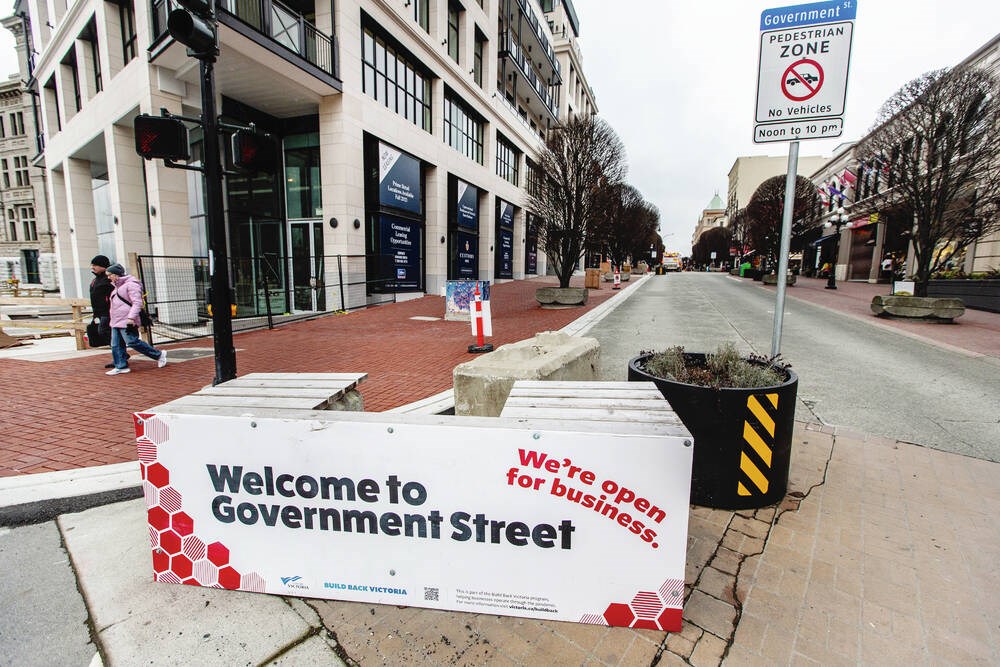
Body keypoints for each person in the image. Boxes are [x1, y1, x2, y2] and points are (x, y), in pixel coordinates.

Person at [106, 263, 167, 375]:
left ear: (116, 274)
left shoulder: (131, 285)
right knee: (116, 344)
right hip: (116, 320)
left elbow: (137, 302)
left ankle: (158, 354)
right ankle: (121, 366)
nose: (108, 277)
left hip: (127, 320)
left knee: (132, 341)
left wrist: (131, 318)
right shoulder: (117, 287)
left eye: (110, 275)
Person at [88, 255, 115, 369]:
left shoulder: (109, 279)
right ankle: (119, 355)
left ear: (103, 266)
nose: (92, 267)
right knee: (104, 333)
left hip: (108, 312)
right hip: (99, 313)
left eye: (95, 265)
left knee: (105, 332)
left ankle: (120, 355)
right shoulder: (96, 280)